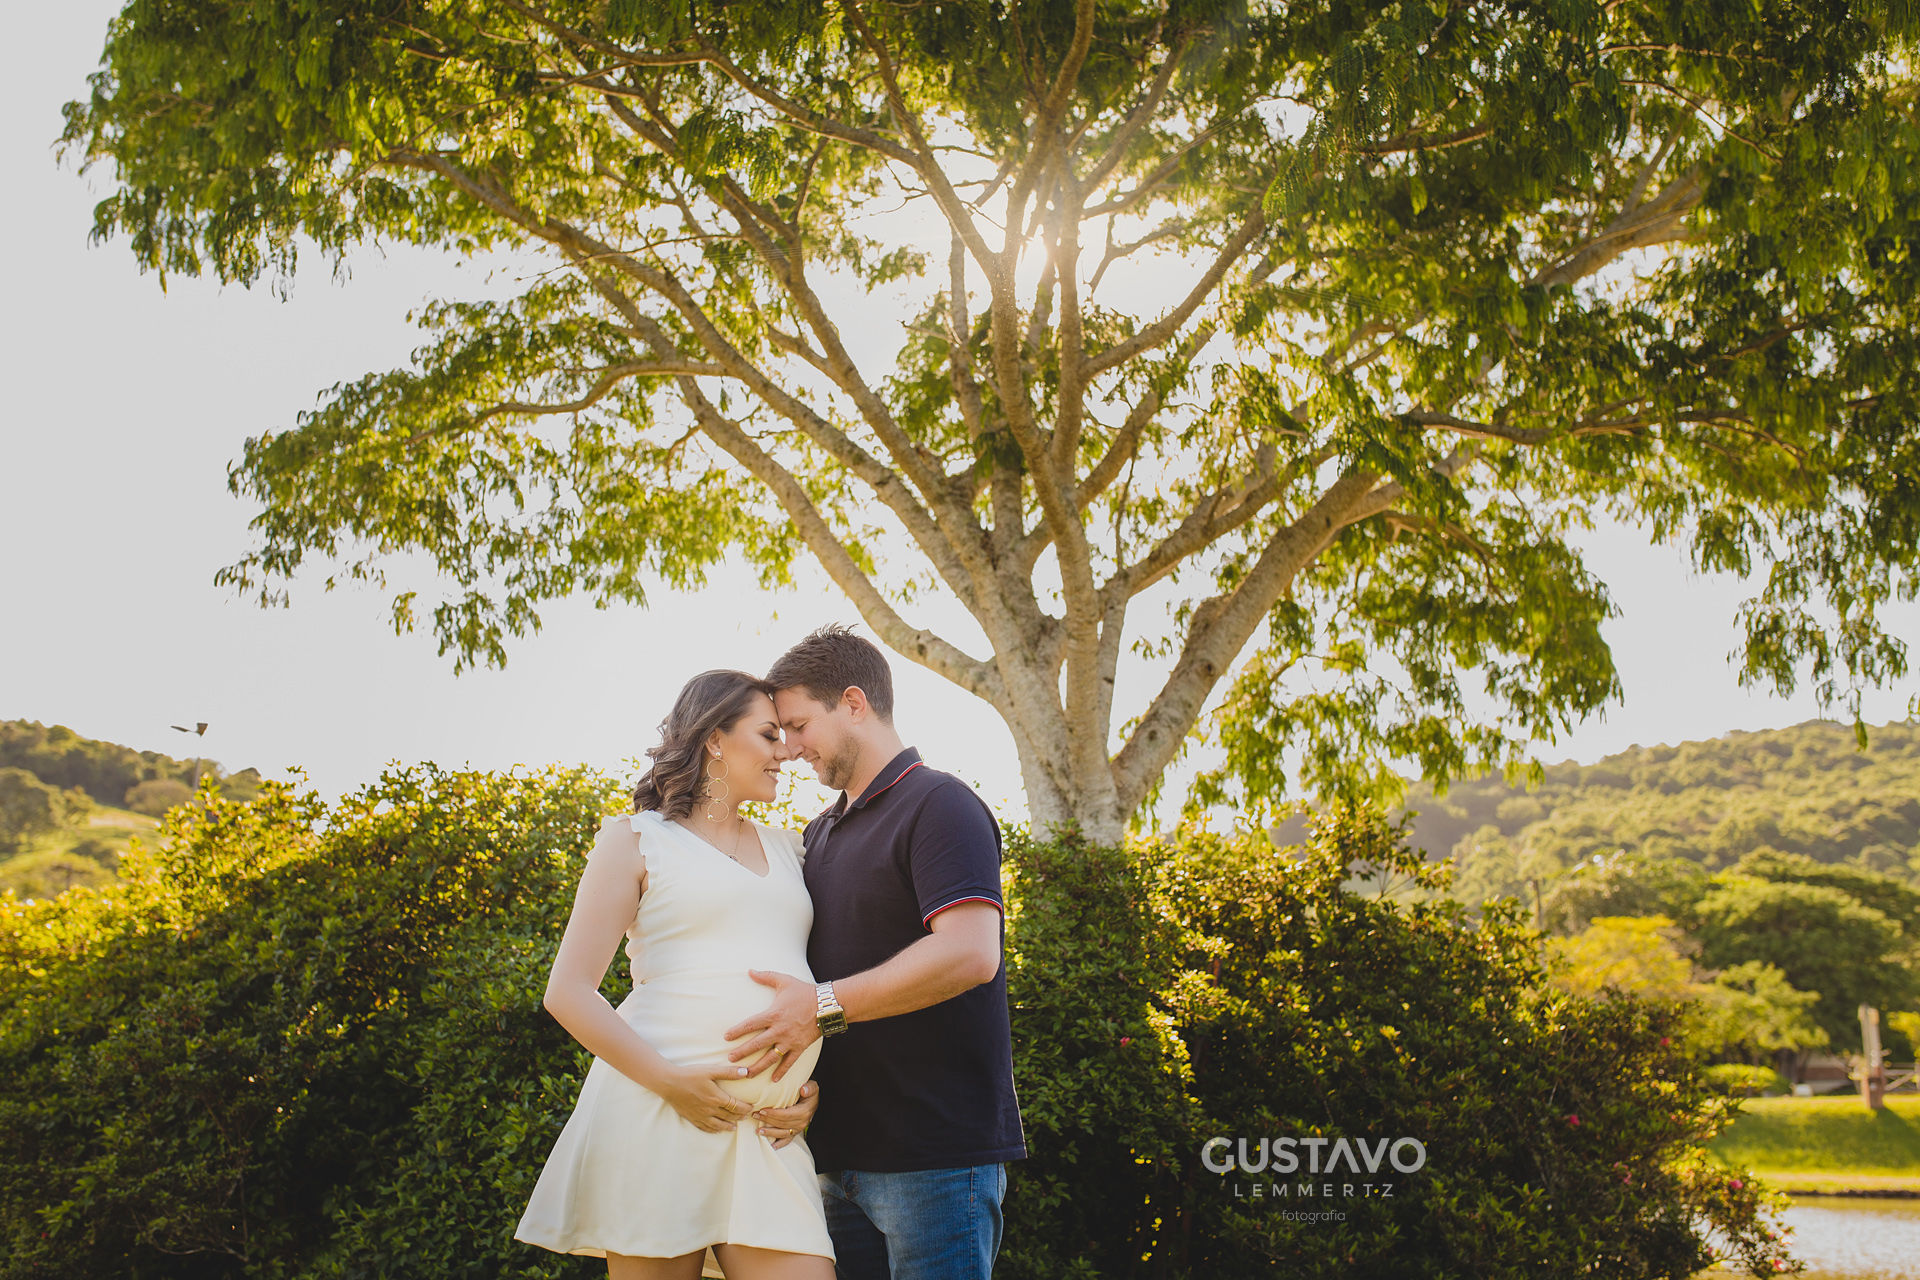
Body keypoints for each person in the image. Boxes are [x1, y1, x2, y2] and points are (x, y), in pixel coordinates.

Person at [723, 625, 1027, 1280]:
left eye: (800, 724)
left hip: (936, 1164)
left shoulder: (940, 804)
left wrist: (822, 1009)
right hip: (834, 1160)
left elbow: (971, 953)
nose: (791, 746)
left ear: (854, 703)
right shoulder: (819, 832)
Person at [515, 670, 831, 1280]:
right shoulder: (635, 840)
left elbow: (816, 982)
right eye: (768, 735)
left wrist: (811, 1086)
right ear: (715, 738)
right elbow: (568, 992)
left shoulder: (795, 849)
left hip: (765, 1134)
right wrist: (670, 1082)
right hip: (657, 1115)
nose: (785, 751)